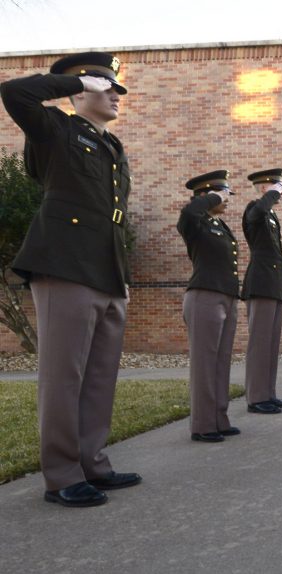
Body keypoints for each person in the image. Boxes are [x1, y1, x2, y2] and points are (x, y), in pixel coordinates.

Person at [1, 52, 141, 506]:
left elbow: (113, 218)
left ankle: (93, 463)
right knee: (64, 376)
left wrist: (122, 275)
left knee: (99, 376)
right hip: (64, 265)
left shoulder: (113, 147)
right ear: (82, 90)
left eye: (117, 89)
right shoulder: (56, 130)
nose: (115, 96)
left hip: (106, 271)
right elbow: (14, 92)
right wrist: (77, 83)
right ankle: (62, 475)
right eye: (106, 87)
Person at [177, 171, 241, 443]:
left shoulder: (220, 225)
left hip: (226, 296)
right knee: (204, 364)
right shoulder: (195, 222)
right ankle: (203, 425)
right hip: (204, 296)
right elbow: (188, 214)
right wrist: (212, 198)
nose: (227, 199)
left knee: (221, 361)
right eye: (222, 194)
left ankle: (219, 418)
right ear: (205, 195)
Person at [242, 168, 282, 415]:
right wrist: (270, 195)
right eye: (276, 188)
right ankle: (255, 397)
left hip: (273, 285)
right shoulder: (255, 209)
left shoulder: (270, 215)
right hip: (261, 283)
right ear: (264, 187)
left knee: (271, 345)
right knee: (259, 343)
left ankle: (268, 392)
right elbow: (257, 213)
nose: (280, 193)